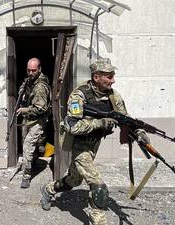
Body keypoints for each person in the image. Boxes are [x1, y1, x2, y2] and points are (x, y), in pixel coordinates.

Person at [39, 58, 150, 225]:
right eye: (109, 76)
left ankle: (48, 189)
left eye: (113, 76)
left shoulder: (113, 95)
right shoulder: (79, 95)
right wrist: (100, 123)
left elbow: (124, 117)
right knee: (98, 187)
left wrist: (139, 131)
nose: (113, 80)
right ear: (96, 77)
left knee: (73, 181)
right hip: (79, 144)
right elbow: (72, 125)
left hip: (94, 144)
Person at [17, 58, 51, 188]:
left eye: (33, 70)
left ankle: (26, 176)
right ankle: (35, 160)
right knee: (29, 144)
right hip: (28, 120)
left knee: (27, 147)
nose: (30, 73)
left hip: (38, 121)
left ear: (40, 69)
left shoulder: (40, 87)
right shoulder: (31, 81)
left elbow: (41, 108)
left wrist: (25, 109)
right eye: (29, 70)